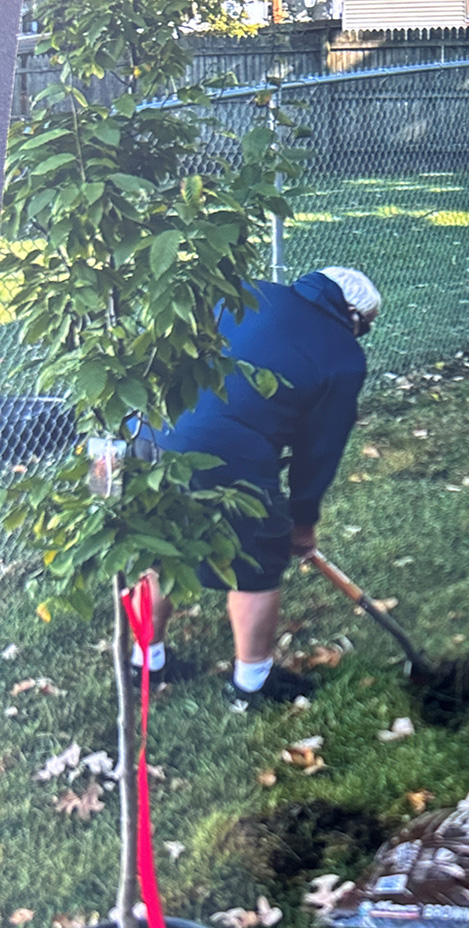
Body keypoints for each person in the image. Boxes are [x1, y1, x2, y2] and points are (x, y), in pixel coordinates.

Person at [137, 266, 380, 706]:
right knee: (256, 566)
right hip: (229, 455)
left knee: (160, 549)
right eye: (365, 328)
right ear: (354, 316)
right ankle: (252, 686)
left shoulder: (247, 292)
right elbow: (318, 452)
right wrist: (301, 523)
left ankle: (145, 662)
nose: (360, 336)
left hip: (150, 432)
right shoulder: (344, 356)